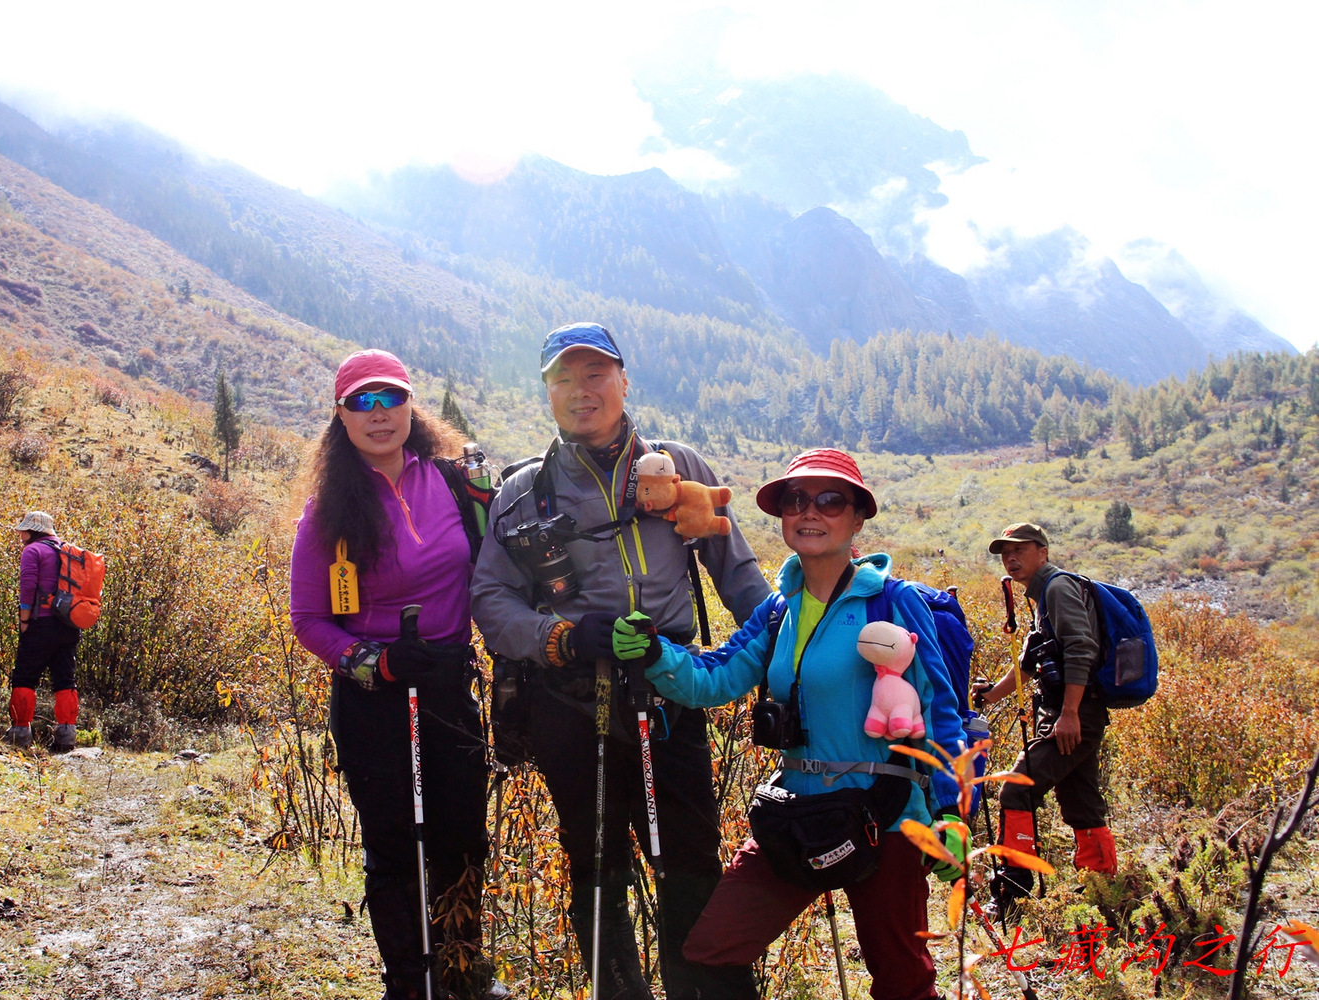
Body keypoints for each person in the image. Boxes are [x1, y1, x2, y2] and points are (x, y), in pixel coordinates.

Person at [471, 322, 770, 1000]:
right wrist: (565, 637)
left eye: (595, 374)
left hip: (670, 694)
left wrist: (789, 659)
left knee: (690, 860)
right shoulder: (524, 491)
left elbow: (739, 575)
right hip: (569, 703)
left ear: (624, 381)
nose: (582, 391)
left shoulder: (679, 468)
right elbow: (490, 599)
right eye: (564, 379)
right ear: (547, 393)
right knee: (595, 863)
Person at [610, 448, 966, 1000]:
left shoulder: (891, 602)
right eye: (796, 500)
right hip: (800, 813)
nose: (810, 512)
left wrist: (950, 810)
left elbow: (938, 705)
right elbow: (714, 677)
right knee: (710, 949)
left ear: (858, 518)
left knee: (903, 981)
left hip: (889, 814)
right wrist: (656, 652)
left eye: (831, 500)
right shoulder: (779, 610)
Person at [289, 349, 504, 1000]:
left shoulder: (454, 483)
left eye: (391, 398)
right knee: (394, 845)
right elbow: (310, 621)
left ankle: (461, 972)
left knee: (462, 837)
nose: (378, 413)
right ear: (341, 416)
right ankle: (409, 984)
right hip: (373, 700)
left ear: (412, 406)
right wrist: (375, 661)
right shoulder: (328, 513)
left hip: (448, 683)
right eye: (362, 401)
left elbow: (497, 570)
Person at [973, 522, 1116, 917]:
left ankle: (1013, 891)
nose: (1011, 558)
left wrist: (1069, 714)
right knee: (1082, 803)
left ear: (1043, 552)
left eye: (1019, 550)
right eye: (1005, 553)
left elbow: (1080, 649)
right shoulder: (1042, 595)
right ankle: (1102, 889)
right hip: (1070, 712)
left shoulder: (1057, 588)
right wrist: (992, 694)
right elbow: (1030, 663)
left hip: (1074, 714)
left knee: (1015, 791)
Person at [6, 511, 81, 753]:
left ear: (32, 531)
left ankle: (20, 732)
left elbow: (28, 587)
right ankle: (67, 735)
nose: (20, 535)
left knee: (24, 677)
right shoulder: (66, 549)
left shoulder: (32, 551)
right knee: (65, 679)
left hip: (41, 623)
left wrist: (24, 620)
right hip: (68, 624)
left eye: (23, 531)